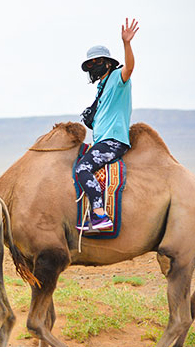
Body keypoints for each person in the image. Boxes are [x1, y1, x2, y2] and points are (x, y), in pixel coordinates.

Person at [75, 18, 139, 231]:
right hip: (102, 140)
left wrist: (126, 44)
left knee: (83, 168)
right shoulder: (100, 89)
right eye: (90, 64)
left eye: (97, 61)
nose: (93, 66)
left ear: (109, 62)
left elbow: (129, 67)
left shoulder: (118, 79)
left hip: (113, 141)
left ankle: (100, 215)